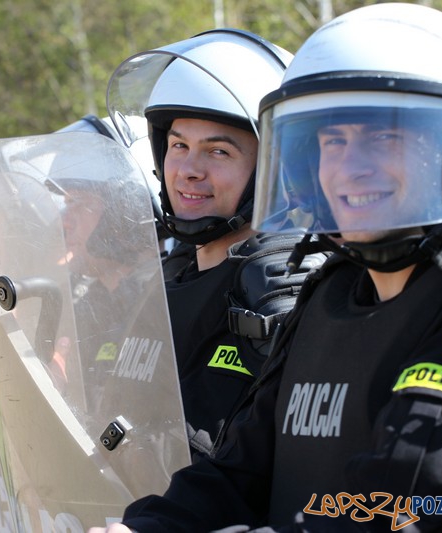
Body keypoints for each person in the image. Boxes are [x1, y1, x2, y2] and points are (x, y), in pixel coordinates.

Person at [92, 3, 442, 532]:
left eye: (383, 137)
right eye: (332, 141)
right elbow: (237, 474)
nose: (349, 167)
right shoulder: (325, 299)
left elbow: (412, 506)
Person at [105, 29, 323, 460]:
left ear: (273, 167)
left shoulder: (283, 294)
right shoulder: (168, 277)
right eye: (178, 145)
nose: (188, 169)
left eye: (218, 152)